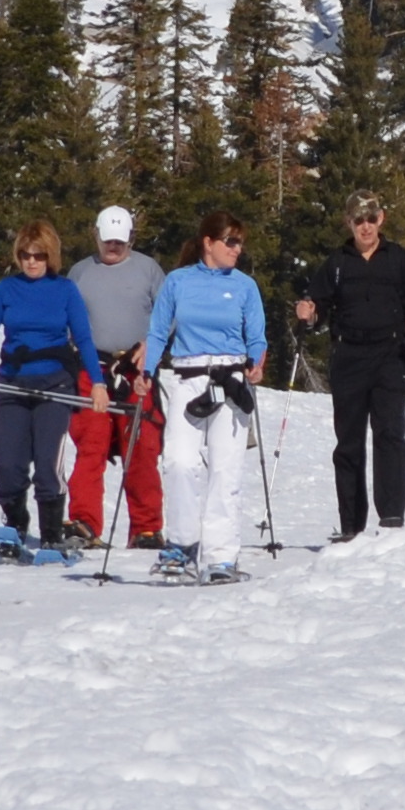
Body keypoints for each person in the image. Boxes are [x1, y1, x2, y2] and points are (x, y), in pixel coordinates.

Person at [294, 195, 405, 543]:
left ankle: (391, 519)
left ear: (381, 219)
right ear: (349, 223)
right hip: (349, 357)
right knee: (349, 441)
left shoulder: (398, 259)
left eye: (371, 218)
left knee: (389, 433)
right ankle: (351, 526)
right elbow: (318, 306)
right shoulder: (338, 262)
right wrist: (309, 312)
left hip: (390, 355)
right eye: (359, 220)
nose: (366, 226)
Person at [140, 214, 271, 580]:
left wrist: (255, 365)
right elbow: (157, 332)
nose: (236, 249)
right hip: (189, 378)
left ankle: (221, 556)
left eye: (239, 242)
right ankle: (181, 546)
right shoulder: (178, 282)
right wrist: (147, 372)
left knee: (225, 471)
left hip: (230, 381)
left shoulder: (245, 286)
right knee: (180, 463)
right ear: (208, 243)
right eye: (229, 241)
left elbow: (257, 337)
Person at [0, 220, 98, 548]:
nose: (31, 261)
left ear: (49, 256)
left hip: (54, 384)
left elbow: (83, 337)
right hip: (13, 383)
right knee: (7, 460)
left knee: (47, 462)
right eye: (25, 255)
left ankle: (52, 535)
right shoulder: (7, 289)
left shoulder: (65, 290)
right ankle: (15, 522)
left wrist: (98, 382)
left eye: (38, 255)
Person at [64, 204, 164, 551]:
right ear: (96, 235)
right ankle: (84, 522)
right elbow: (65, 320)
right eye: (108, 241)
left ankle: (146, 528)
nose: (114, 248)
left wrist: (152, 344)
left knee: (142, 447)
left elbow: (169, 314)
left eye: (120, 242)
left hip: (136, 370)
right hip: (93, 370)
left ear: (131, 239)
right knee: (90, 444)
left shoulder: (148, 270)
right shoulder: (80, 273)